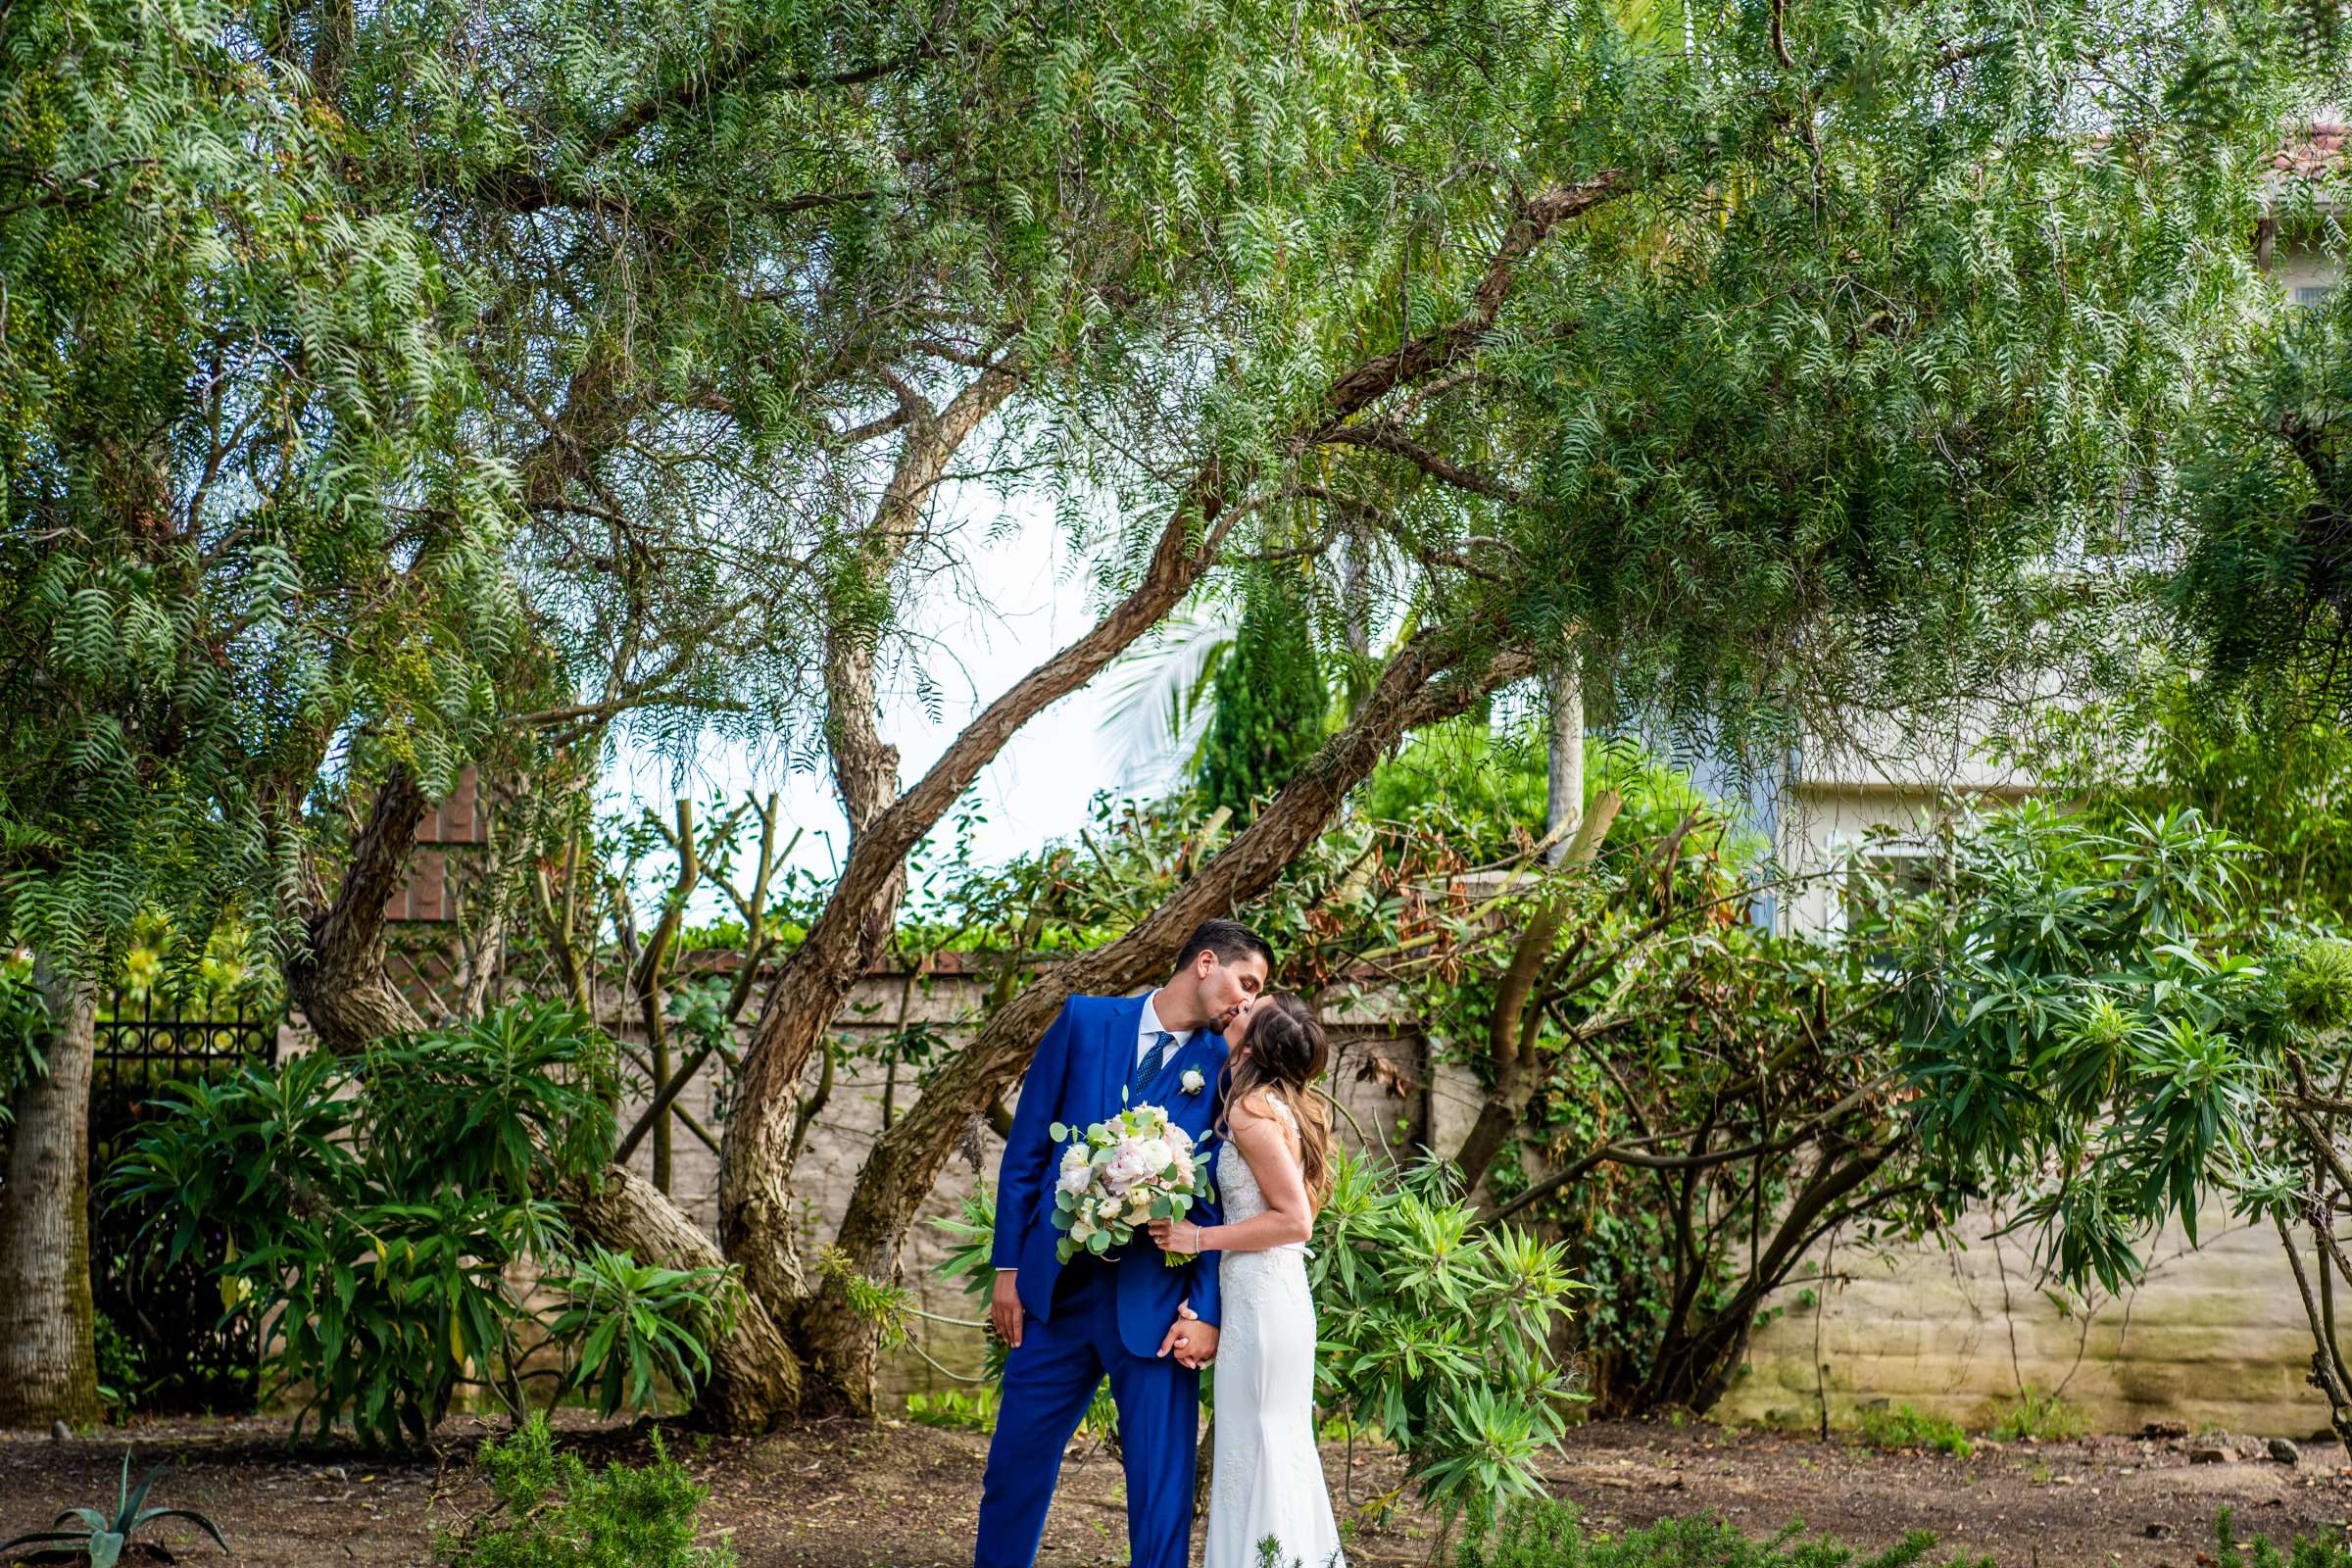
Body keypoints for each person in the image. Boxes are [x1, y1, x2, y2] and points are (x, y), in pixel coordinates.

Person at [973, 918, 1274, 1568]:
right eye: (1244, 982)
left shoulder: (1227, 1064)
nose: (1246, 1003)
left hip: (1159, 1310)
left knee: (1160, 1493)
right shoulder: (1084, 1022)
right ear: (1204, 963)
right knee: (1013, 1469)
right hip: (1056, 1296)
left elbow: (1220, 1193)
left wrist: (1209, 1314)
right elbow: (1026, 1153)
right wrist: (1006, 1271)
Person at [1149, 991, 1345, 1568]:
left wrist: (1197, 1238)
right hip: (1269, 1296)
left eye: (1247, 1016)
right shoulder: (1282, 1105)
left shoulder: (1251, 1111)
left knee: (1259, 1446)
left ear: (1256, 1046)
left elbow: (1295, 1221)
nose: (1236, 1012)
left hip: (1264, 1302)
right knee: (1270, 1447)